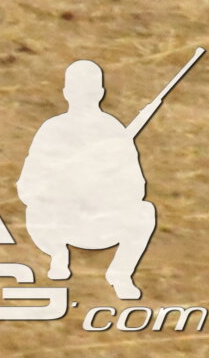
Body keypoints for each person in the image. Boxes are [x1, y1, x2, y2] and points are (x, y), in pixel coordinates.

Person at [22, 57, 170, 301]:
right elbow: (28, 186)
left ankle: (120, 273)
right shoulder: (52, 129)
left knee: (144, 212)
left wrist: (104, 180)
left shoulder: (113, 131)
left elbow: (136, 189)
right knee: (36, 209)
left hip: (99, 221)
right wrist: (63, 184)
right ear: (67, 93)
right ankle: (58, 255)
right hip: (58, 222)